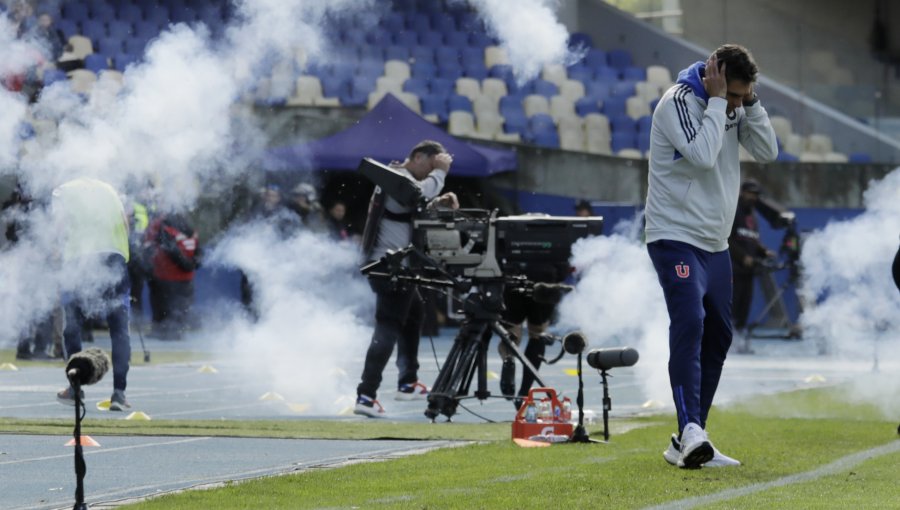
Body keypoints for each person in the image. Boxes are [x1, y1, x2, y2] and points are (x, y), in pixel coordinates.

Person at [644, 44, 778, 468]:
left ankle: (687, 440)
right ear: (712, 76)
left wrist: (749, 103)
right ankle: (690, 431)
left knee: (720, 335)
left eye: (745, 95)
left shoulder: (736, 104)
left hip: (714, 244)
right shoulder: (678, 101)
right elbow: (701, 157)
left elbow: (769, 152)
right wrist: (720, 103)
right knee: (691, 322)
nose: (738, 104)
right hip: (675, 235)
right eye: (734, 94)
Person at [354, 140, 458, 418]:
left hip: (398, 267)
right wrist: (442, 172)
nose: (433, 171)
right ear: (419, 157)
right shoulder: (398, 177)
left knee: (415, 315)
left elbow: (413, 207)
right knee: (387, 327)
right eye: (432, 164)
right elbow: (417, 197)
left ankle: (408, 382)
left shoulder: (401, 179)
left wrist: (439, 200)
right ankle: (366, 395)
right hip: (389, 268)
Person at [53, 177, 133, 411]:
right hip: (114, 258)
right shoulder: (110, 190)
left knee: (73, 325)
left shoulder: (63, 191)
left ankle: (75, 388)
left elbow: (58, 228)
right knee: (119, 328)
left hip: (79, 260)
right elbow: (126, 226)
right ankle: (119, 393)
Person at [729, 179, 776, 353]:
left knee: (743, 310)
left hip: (748, 271)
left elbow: (752, 239)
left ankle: (738, 342)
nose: (753, 197)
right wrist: (743, 257)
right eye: (750, 193)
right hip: (733, 269)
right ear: (742, 192)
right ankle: (727, 343)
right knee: (731, 309)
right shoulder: (734, 211)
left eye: (756, 195)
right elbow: (727, 239)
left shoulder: (752, 216)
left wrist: (763, 251)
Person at [145, 210, 201, 340]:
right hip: (182, 275)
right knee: (178, 305)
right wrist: (192, 264)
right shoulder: (190, 229)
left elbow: (172, 250)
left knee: (170, 305)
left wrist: (189, 263)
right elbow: (196, 251)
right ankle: (171, 330)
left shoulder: (167, 228)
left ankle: (171, 330)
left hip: (169, 275)